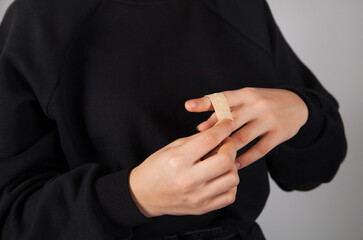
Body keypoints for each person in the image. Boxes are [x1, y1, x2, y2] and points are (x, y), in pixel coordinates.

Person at [0, 0, 347, 239]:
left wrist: (302, 110)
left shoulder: (241, 7)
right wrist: (132, 197)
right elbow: (12, 219)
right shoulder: (41, 19)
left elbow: (316, 170)